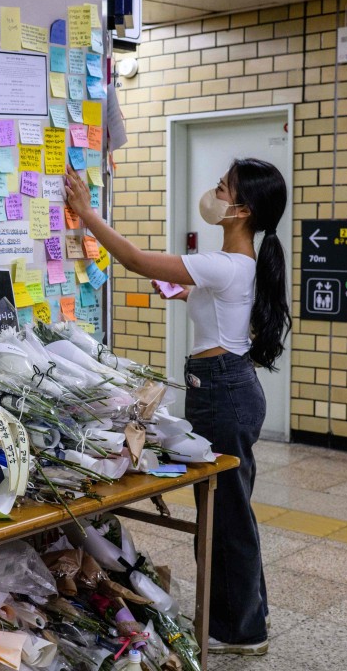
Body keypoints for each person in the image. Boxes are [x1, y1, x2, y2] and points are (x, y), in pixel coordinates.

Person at [64, 159, 291, 656]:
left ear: (242, 209)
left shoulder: (227, 264)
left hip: (224, 392)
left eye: (222, 188)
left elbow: (135, 259)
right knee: (232, 508)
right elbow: (220, 305)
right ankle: (247, 615)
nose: (213, 193)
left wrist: (87, 213)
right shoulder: (238, 264)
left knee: (228, 513)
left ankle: (239, 630)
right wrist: (185, 291)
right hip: (226, 386)